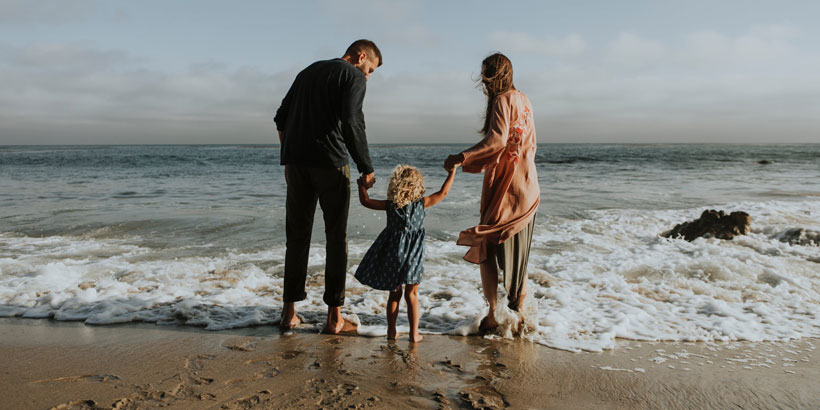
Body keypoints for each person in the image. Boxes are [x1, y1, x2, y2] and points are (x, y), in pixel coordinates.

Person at [274, 39, 382, 334]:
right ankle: (334, 318)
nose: (368, 77)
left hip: (296, 164)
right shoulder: (353, 76)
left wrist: (288, 158)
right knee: (336, 238)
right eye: (370, 69)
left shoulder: (307, 72)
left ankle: (289, 315)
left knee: (296, 238)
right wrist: (365, 166)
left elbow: (280, 117)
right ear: (360, 57)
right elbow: (351, 120)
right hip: (331, 164)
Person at [444, 53, 540, 332]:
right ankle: (519, 316)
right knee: (517, 253)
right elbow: (530, 144)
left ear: (490, 78)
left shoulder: (502, 100)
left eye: (486, 80)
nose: (485, 87)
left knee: (486, 245)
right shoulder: (524, 100)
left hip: (505, 187)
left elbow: (497, 139)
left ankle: (493, 314)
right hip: (529, 185)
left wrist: (462, 157)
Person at [354, 164, 458, 342]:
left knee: (394, 294)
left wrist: (361, 186)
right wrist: (452, 173)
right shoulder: (421, 204)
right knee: (412, 294)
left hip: (393, 254)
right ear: (418, 185)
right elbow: (443, 193)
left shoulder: (391, 205)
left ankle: (391, 332)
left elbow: (366, 201)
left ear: (395, 184)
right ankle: (413, 334)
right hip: (414, 255)